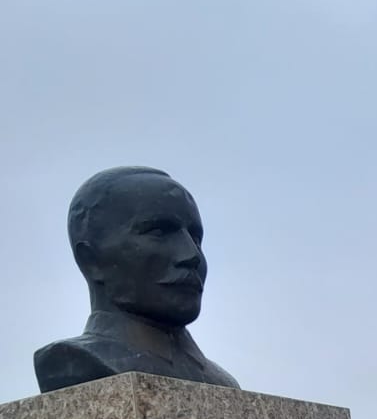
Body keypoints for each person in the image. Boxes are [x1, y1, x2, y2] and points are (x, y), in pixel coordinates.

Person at [34, 166, 239, 393]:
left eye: (196, 238)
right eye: (159, 232)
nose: (192, 255)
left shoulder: (222, 383)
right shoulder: (70, 362)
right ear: (91, 260)